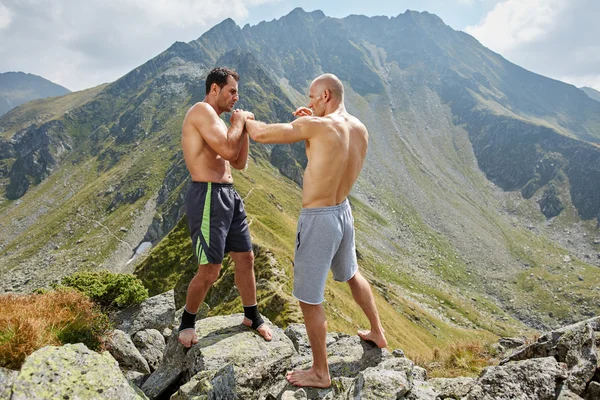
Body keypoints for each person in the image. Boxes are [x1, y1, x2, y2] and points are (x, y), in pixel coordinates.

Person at [245, 74, 387, 388]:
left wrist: (244, 119)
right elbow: (327, 157)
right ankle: (377, 331)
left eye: (311, 97)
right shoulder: (359, 128)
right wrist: (312, 124)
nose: (308, 103)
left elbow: (264, 135)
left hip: (318, 218)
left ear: (325, 94)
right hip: (343, 213)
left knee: (309, 298)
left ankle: (321, 372)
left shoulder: (319, 126)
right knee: (352, 273)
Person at [178, 67, 272, 348]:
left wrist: (240, 128)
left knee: (246, 259)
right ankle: (187, 322)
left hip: (228, 195)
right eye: (232, 91)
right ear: (215, 89)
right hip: (208, 195)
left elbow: (239, 162)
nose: (235, 97)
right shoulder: (201, 111)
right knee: (210, 270)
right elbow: (229, 152)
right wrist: (240, 122)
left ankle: (251, 316)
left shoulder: (218, 122)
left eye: (237, 93)